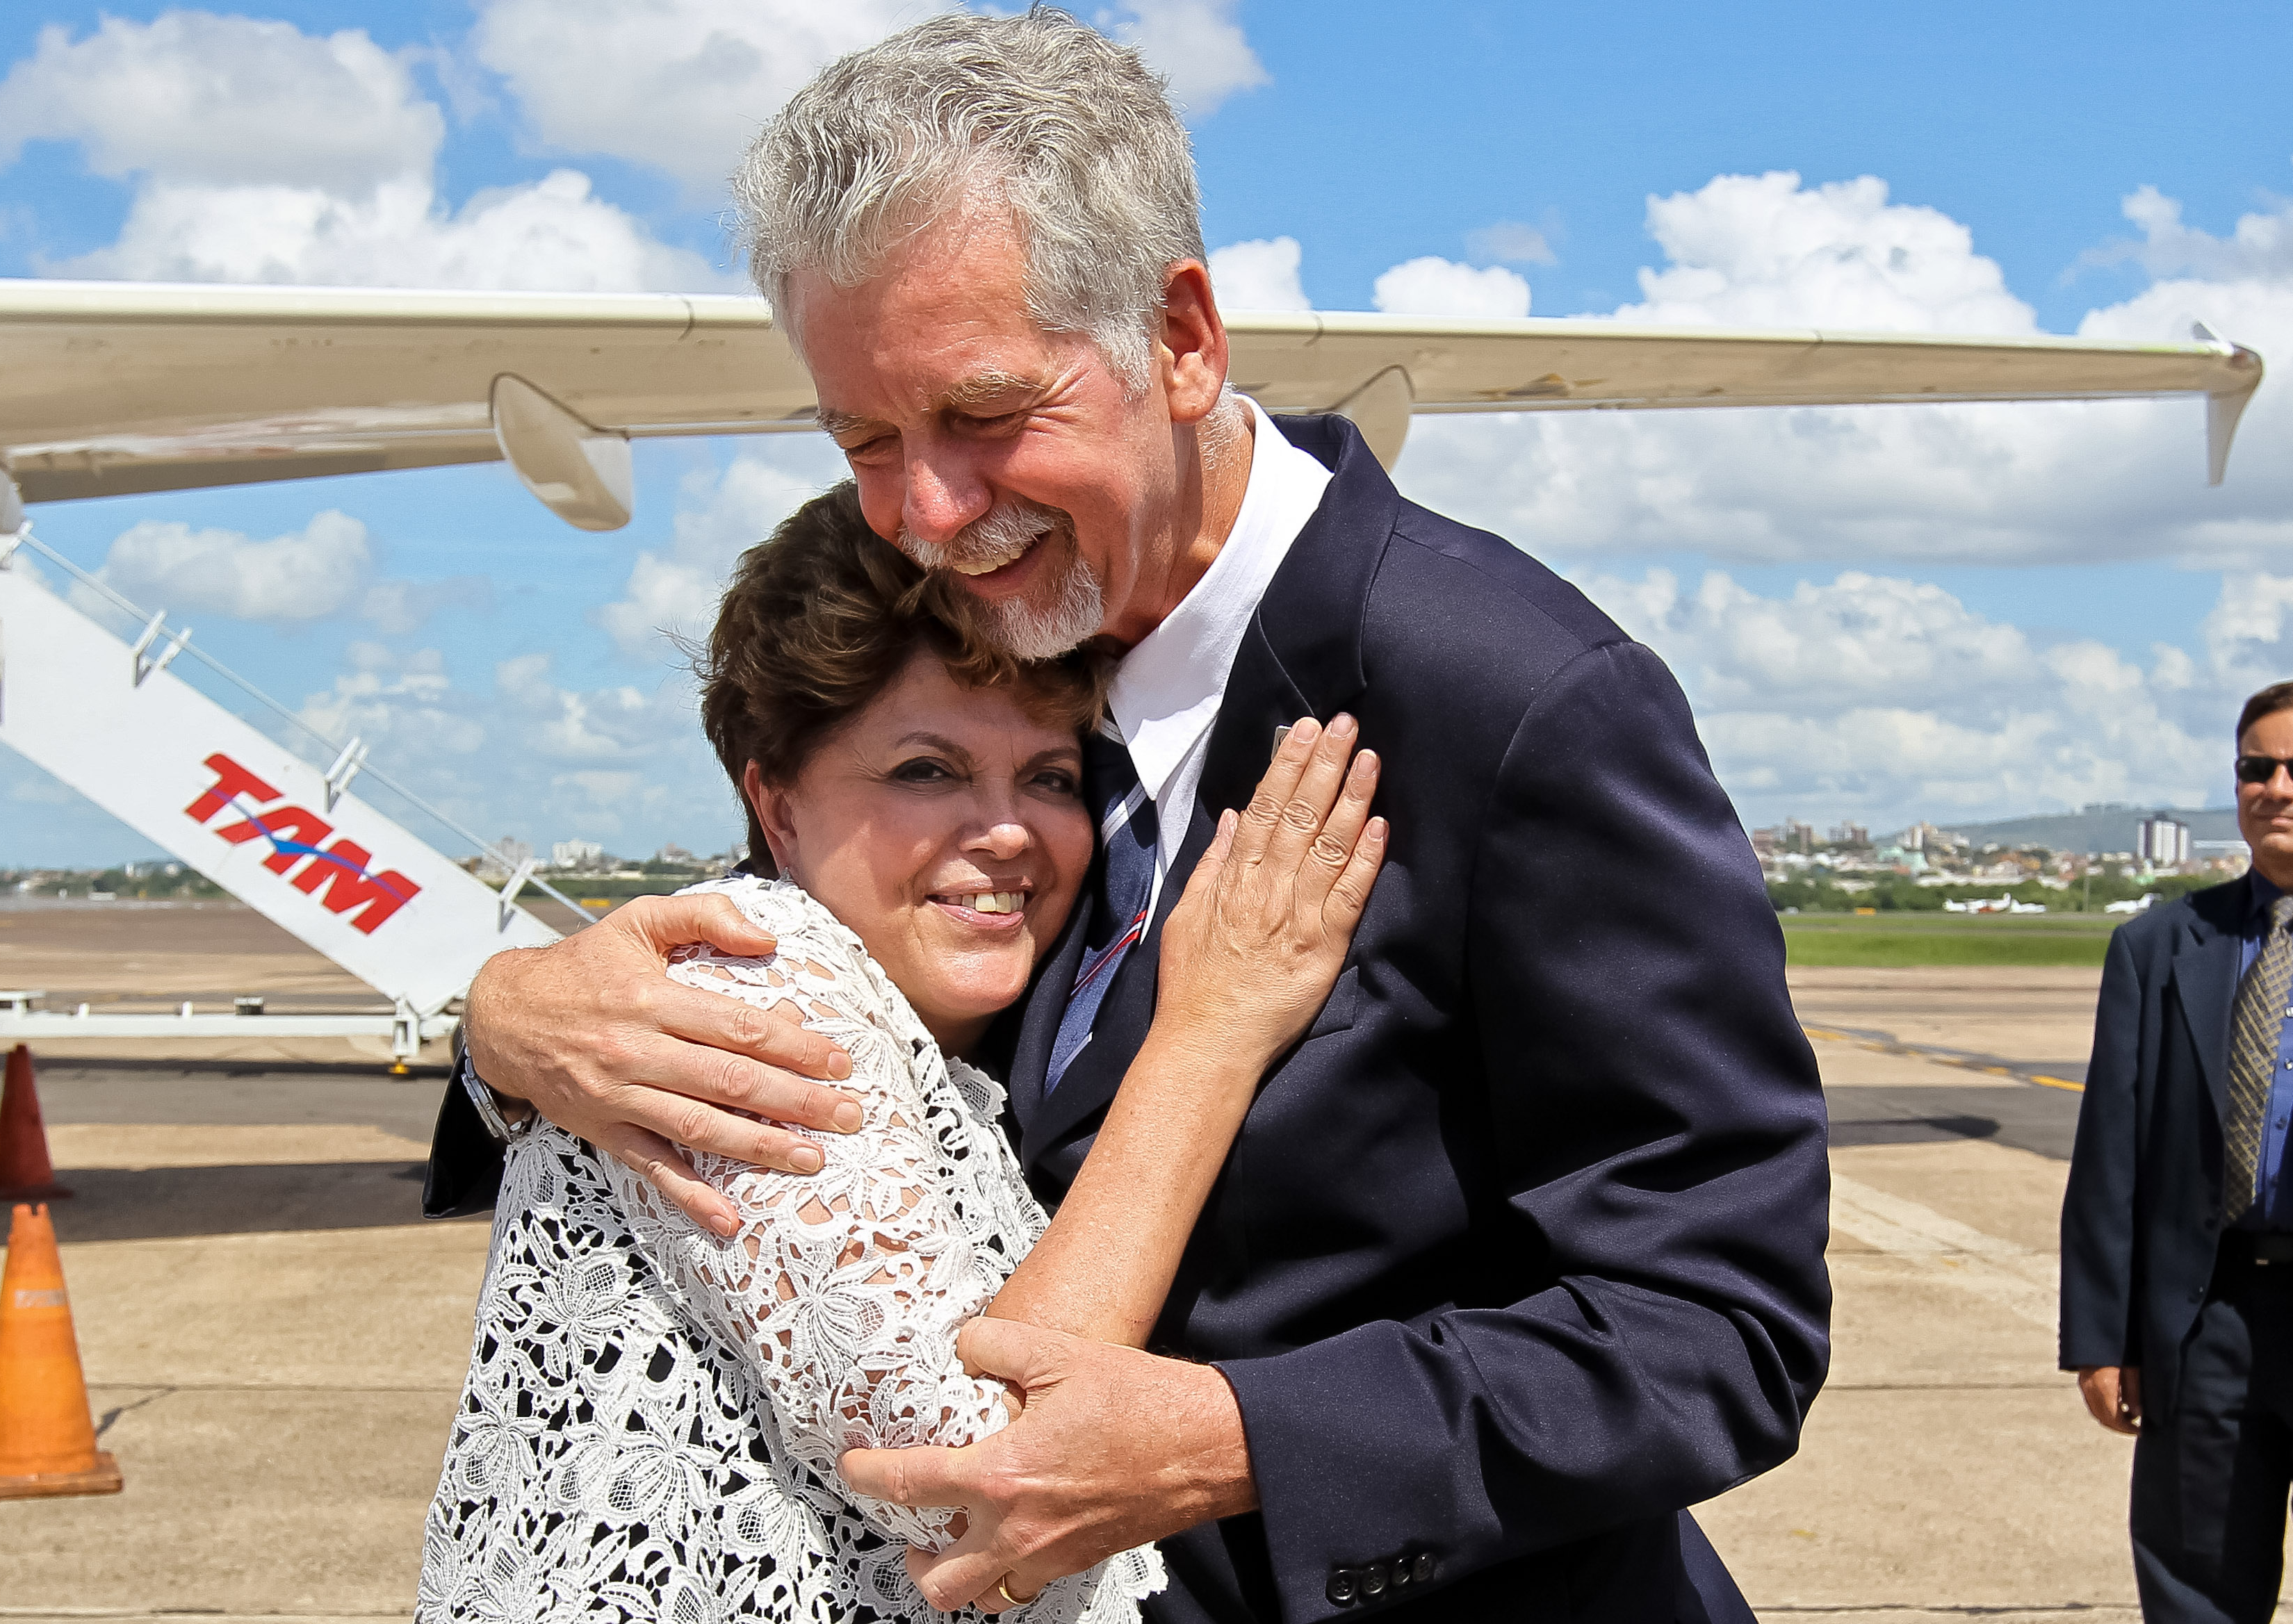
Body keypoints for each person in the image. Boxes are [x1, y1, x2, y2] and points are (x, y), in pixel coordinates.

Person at [427, 11, 1832, 1622]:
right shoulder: (994, 639)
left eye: (983, 413)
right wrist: (502, 1018)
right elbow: (799, 947)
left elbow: (1720, 1323)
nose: (928, 514)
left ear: (1181, 338)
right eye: (866, 440)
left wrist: (1246, 1437)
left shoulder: (1507, 698)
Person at [419, 490, 1386, 1623]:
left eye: (1050, 775)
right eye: (926, 769)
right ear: (775, 806)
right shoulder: (758, 981)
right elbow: (985, 1482)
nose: (1007, 828)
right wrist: (1210, 1033)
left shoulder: (967, 1021)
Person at [2063, 678, 2293, 1624]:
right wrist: (2101, 1339)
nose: (2277, 786)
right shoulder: (2157, 946)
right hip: (2208, 1321)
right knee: (2195, 1592)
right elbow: (2111, 1156)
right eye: (2257, 766)